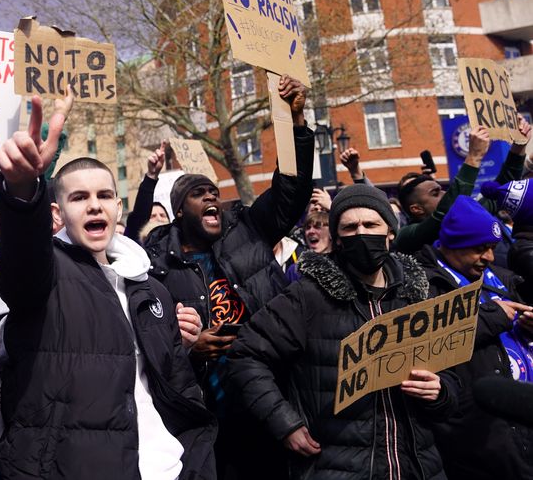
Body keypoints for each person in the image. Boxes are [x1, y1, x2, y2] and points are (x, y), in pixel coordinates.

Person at [0, 93, 217, 479]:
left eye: (104, 196)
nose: (94, 206)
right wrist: (22, 192)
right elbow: (22, 265)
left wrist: (182, 345)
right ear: (57, 213)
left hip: (165, 467)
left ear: (117, 208)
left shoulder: (150, 288)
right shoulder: (46, 274)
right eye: (79, 197)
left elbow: (177, 391)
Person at [143, 76, 314, 479]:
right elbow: (148, 337)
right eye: (199, 194)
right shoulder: (154, 264)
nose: (212, 198)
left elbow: (292, 189)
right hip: (204, 408)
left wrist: (297, 122)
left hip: (272, 389)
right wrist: (191, 350)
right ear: (179, 210)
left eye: (214, 192)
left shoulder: (248, 230)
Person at [225, 184, 457, 480]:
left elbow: (451, 375)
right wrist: (284, 423)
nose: (361, 233)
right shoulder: (307, 296)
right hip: (338, 467)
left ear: (390, 232)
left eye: (371, 224)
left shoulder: (418, 294)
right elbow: (246, 354)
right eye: (350, 227)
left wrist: (440, 391)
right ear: (336, 238)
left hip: (418, 465)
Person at [417, 195, 533, 479]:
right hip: (477, 437)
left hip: (522, 419)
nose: (489, 258)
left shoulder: (502, 279)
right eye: (480, 249)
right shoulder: (425, 286)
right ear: (453, 244)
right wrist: (492, 317)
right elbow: (433, 342)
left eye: (492, 248)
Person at [394, 119, 530, 254]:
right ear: (416, 209)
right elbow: (445, 215)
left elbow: (500, 191)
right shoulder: (406, 236)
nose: (445, 194)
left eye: (442, 189)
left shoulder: (467, 215)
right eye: (435, 193)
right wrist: (474, 156)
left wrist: (518, 146)